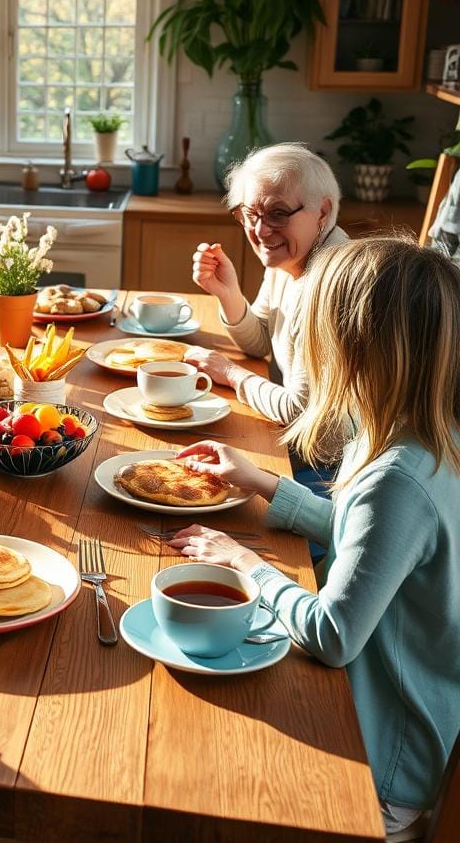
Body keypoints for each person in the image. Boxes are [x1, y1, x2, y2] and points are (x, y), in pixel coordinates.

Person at [168, 237, 460, 842]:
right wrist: (266, 485)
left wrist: (244, 560)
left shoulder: (395, 476)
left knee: (181, 752)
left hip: (383, 764)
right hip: (421, 720)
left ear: (356, 348)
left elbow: (332, 636)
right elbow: (385, 553)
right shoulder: (428, 435)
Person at [184, 142, 348, 427]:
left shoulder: (331, 286)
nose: (260, 231)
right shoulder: (291, 260)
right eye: (250, 214)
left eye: (278, 213)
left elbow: (301, 413)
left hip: (329, 463)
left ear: (322, 211)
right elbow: (260, 342)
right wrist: (228, 293)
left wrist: (230, 373)